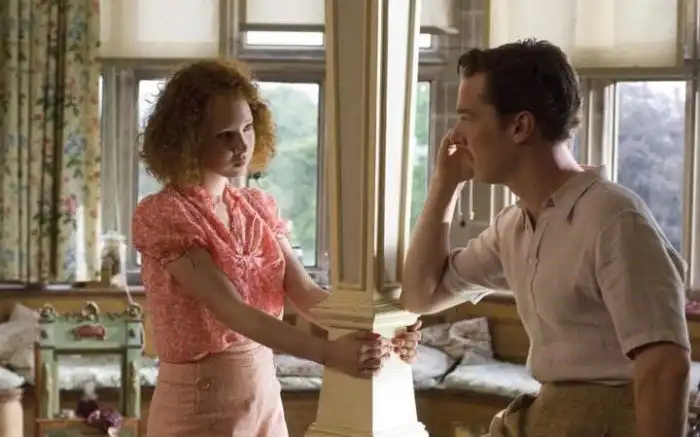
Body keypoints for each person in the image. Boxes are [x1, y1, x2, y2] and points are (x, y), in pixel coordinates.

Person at [400, 39, 690, 437]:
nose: (456, 135)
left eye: (468, 117)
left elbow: (664, 367)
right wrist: (444, 184)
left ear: (520, 126)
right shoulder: (512, 228)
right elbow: (421, 295)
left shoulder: (613, 217)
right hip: (548, 415)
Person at [132, 59, 421, 437]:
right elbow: (233, 311)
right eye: (224, 135)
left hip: (263, 396)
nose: (242, 145)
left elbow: (306, 293)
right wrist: (327, 353)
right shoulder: (165, 214)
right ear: (189, 139)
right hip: (198, 405)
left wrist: (387, 332)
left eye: (247, 127)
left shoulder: (258, 207)